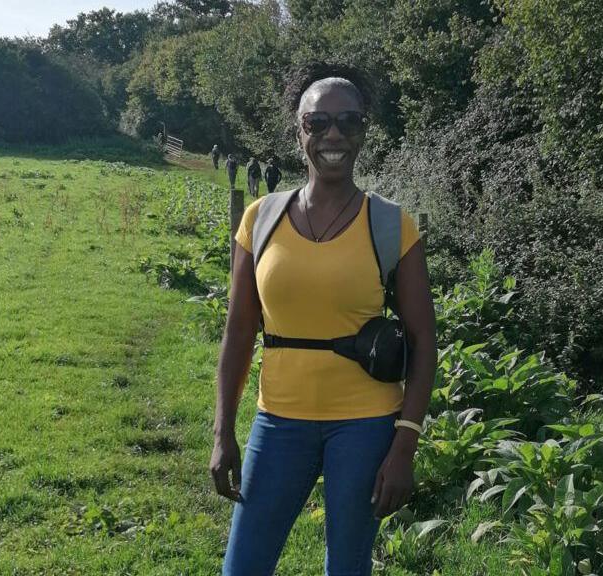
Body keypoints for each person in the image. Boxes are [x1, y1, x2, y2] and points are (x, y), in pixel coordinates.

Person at [211, 65, 436, 575]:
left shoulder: (390, 224)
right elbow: (240, 332)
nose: (333, 134)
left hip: (365, 424)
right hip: (278, 421)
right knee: (243, 565)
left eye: (349, 122)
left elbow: (424, 340)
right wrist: (224, 430)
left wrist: (405, 444)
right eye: (318, 122)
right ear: (299, 131)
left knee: (348, 568)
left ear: (362, 133)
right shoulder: (260, 219)